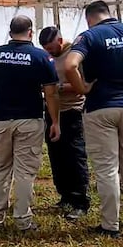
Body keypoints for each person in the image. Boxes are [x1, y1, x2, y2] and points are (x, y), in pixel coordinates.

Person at [64, 0, 123, 238]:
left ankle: (110, 225)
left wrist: (82, 88)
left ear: (88, 18)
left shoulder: (90, 36)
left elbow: (71, 64)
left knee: (107, 168)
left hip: (101, 107)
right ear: (109, 13)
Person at [0, 15, 60, 231]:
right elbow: (51, 94)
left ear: (10, 32)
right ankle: (23, 219)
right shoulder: (41, 56)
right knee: (25, 172)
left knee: (1, 168)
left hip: (1, 121)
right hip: (29, 120)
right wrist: (55, 121)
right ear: (31, 32)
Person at [39, 26, 90, 220]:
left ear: (60, 41)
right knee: (56, 155)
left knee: (74, 156)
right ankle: (65, 195)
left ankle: (80, 201)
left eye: (51, 48)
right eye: (45, 49)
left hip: (72, 111)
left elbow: (83, 85)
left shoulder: (74, 54)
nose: (49, 52)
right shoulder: (47, 56)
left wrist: (56, 88)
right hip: (52, 113)